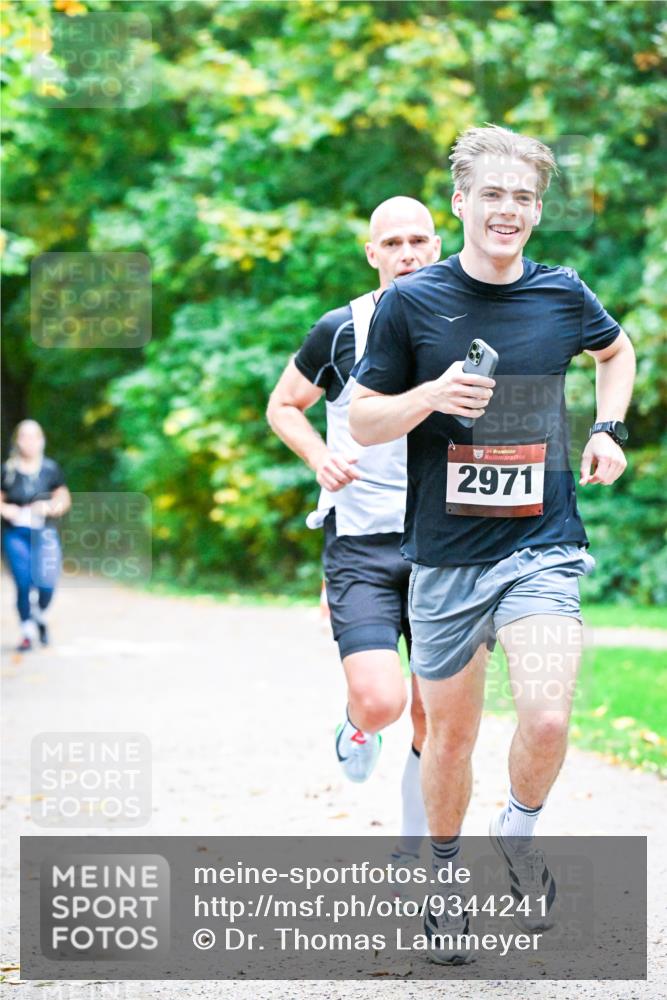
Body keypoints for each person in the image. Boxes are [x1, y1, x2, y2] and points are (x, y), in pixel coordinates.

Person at [349, 125, 636, 963]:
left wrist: (609, 427)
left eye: (522, 197)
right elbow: (365, 419)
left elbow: (614, 353)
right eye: (492, 195)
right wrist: (430, 393)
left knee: (546, 714)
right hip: (443, 559)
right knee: (450, 738)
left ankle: (517, 831)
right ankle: (443, 880)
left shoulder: (560, 294)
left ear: (535, 210)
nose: (506, 210)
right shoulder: (412, 302)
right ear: (460, 203)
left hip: (540, 546)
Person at [267, 197, 441, 859]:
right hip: (363, 543)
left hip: (444, 546)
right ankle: (358, 727)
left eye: (417, 240)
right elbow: (283, 405)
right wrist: (319, 455)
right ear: (372, 255)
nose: (406, 253)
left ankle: (415, 847)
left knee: (434, 712)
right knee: (380, 701)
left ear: (436, 246)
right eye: (391, 242)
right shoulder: (342, 330)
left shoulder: (467, 324)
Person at [1, 420, 71, 651]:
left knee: (47, 583)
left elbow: (63, 499)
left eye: (34, 437)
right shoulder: (7, 471)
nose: (29, 442)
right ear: (17, 441)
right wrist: (7, 510)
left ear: (42, 440)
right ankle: (27, 631)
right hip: (15, 533)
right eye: (24, 436)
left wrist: (50, 507)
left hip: (44, 532)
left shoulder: (50, 468)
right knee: (23, 582)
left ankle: (39, 615)